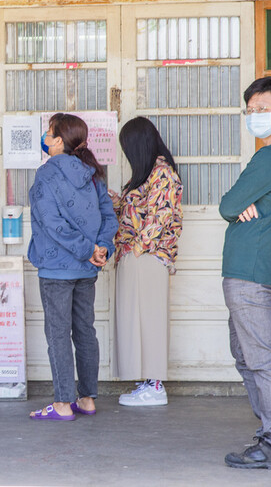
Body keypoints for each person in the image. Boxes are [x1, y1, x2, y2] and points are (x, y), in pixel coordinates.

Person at [219, 77, 271, 470]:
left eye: (262, 109)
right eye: (249, 110)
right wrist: (244, 203)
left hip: (252, 271)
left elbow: (228, 203)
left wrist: (240, 204)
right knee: (247, 354)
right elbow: (240, 203)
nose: (254, 116)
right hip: (262, 269)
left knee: (262, 358)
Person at [27, 113, 118, 421]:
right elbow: (109, 217)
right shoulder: (92, 172)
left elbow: (52, 224)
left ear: (58, 140)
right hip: (86, 270)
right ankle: (87, 399)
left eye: (48, 132)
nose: (45, 137)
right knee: (84, 331)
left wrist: (88, 250)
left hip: (56, 268)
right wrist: (100, 249)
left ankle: (64, 404)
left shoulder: (46, 174)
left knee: (58, 335)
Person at [111, 117, 183, 407]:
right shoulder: (147, 173)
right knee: (137, 320)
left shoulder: (162, 173)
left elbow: (158, 219)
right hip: (137, 256)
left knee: (149, 320)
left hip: (147, 257)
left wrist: (137, 249)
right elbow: (139, 210)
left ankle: (155, 386)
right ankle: (146, 382)